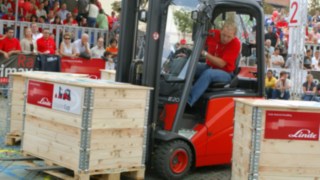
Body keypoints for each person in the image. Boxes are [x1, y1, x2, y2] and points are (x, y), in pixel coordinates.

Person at [188, 23, 241, 107]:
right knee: (189, 66)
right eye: (223, 35)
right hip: (209, 66)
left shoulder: (236, 44)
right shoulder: (212, 34)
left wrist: (205, 53)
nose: (225, 39)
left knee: (208, 73)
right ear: (220, 31)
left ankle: (188, 102)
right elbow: (199, 42)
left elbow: (221, 64)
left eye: (228, 37)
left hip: (226, 73)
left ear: (234, 36)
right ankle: (179, 94)